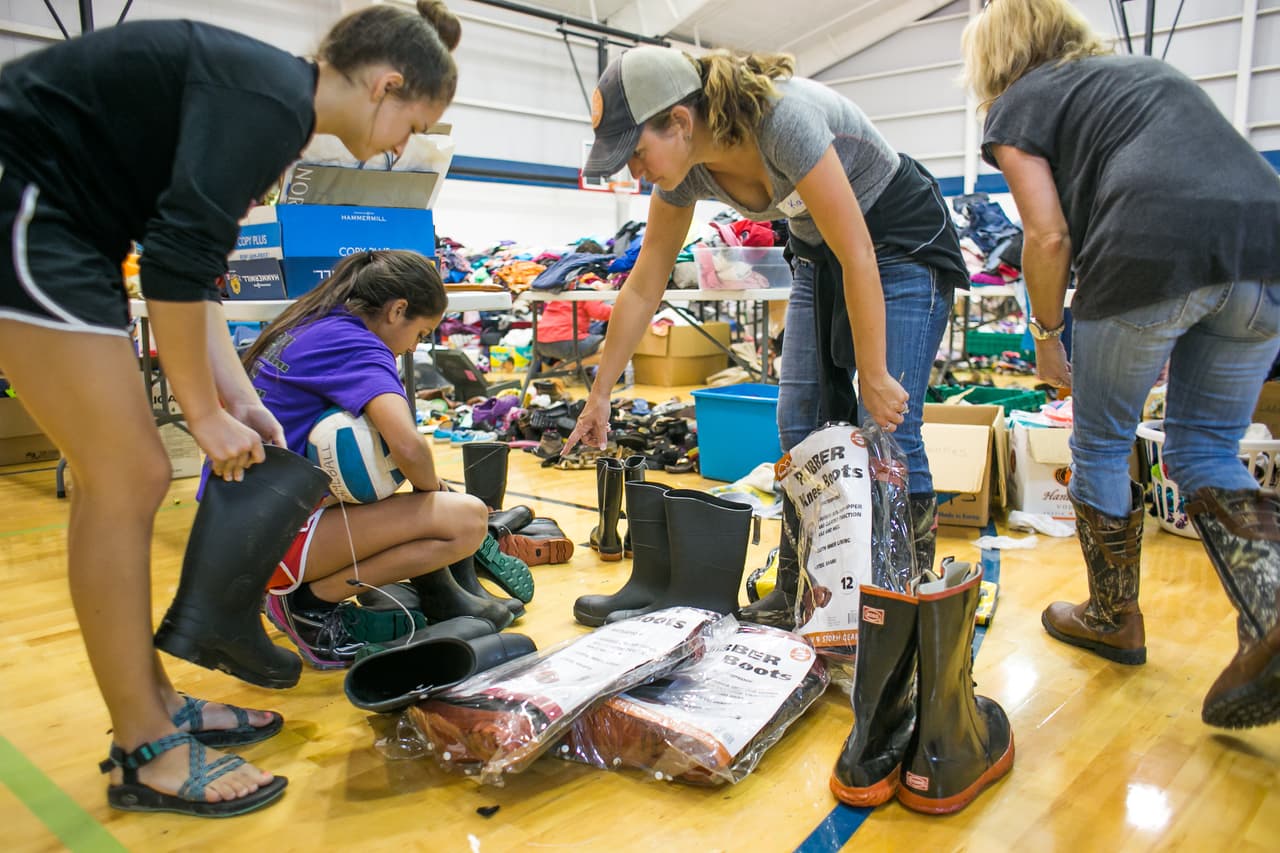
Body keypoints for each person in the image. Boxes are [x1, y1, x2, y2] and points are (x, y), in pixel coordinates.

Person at [0, 0, 462, 816]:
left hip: (68, 226)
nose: (403, 147)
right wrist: (201, 414)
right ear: (389, 86)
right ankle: (146, 745)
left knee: (131, 474)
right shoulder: (268, 102)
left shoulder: (269, 108)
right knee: (129, 475)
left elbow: (200, 274)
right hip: (28, 207)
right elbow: (176, 265)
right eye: (415, 124)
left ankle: (152, 705)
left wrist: (239, 400)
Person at [564, 45, 968, 625]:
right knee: (798, 420)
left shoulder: (782, 122)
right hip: (819, 249)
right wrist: (600, 393)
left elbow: (860, 252)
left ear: (679, 121)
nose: (635, 171)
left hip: (897, 242)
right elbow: (645, 281)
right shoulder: (683, 169)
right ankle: (802, 588)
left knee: (887, 430)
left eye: (635, 153)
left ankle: (904, 607)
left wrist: (873, 375)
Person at [963, 0, 1280, 727]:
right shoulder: (1143, 74)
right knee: (1205, 447)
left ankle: (1112, 616)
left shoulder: (1018, 104)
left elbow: (1046, 238)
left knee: (1102, 440)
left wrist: (1047, 335)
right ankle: (1272, 604)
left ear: (998, 55)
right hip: (1268, 248)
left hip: (1147, 248)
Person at [241, 250, 490, 668]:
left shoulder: (314, 322)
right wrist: (432, 493)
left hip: (240, 528)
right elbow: (409, 446)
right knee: (466, 519)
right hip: (269, 540)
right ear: (397, 310)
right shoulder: (359, 346)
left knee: (385, 485)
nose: (414, 346)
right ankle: (309, 604)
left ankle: (322, 589)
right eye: (421, 333)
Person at [534, 298, 612, 364]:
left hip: (540, 344)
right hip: (566, 341)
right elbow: (599, 312)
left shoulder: (562, 290)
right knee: (616, 347)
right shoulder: (587, 290)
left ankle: (568, 368)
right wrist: (619, 309)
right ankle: (571, 366)